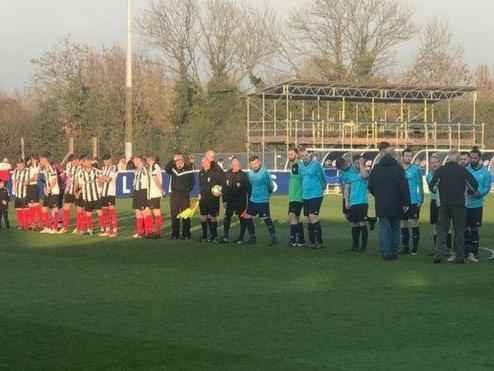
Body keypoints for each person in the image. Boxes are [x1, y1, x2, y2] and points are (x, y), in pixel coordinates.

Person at [428, 150, 478, 264]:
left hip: (444, 205)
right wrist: (468, 190)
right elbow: (474, 184)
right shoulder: (462, 170)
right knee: (459, 231)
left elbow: (431, 185)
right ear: (458, 158)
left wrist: (436, 189)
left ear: (448, 158)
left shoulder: (441, 170)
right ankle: (460, 257)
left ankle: (438, 256)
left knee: (442, 231)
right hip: (459, 205)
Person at [368, 148, 410, 260]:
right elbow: (404, 186)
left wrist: (378, 195)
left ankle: (385, 252)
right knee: (395, 228)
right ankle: (394, 251)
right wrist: (406, 201)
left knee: (384, 228)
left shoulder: (376, 168)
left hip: (381, 203)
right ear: (394, 156)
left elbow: (370, 186)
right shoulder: (398, 169)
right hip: (396, 203)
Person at [337, 155, 370, 252]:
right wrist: (347, 201)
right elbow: (347, 188)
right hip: (353, 202)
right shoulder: (350, 174)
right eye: (356, 163)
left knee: (362, 223)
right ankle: (355, 245)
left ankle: (364, 246)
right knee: (354, 224)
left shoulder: (365, 171)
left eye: (359, 163)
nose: (357, 165)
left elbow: (364, 176)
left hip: (362, 202)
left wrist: (362, 164)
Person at [464, 147, 491, 262]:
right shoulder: (465, 170)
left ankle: (474, 253)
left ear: (479, 158)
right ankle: (466, 252)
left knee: (475, 229)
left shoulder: (485, 172)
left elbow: (487, 188)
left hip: (477, 205)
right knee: (465, 229)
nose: (473, 160)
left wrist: (480, 194)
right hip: (465, 205)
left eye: (475, 158)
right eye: (471, 157)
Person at [243, 156, 277, 246]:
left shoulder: (264, 171)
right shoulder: (250, 174)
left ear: (259, 163)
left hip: (263, 200)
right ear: (250, 165)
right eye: (253, 164)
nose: (255, 165)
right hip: (253, 200)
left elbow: (270, 185)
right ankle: (252, 238)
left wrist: (267, 193)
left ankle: (273, 238)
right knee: (247, 217)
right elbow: (252, 185)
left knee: (266, 218)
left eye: (256, 163)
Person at [299, 148, 327, 249]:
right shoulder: (300, 166)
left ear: (308, 154)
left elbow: (323, 175)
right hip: (306, 195)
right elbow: (301, 178)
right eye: (302, 156)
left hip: (316, 194)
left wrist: (324, 184)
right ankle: (312, 242)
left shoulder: (316, 164)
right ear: (300, 157)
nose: (305, 157)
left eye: (306, 155)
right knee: (309, 218)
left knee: (312, 216)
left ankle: (319, 242)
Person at [165, 153, 195, 240]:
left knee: (185, 215)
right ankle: (175, 234)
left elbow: (192, 182)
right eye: (176, 160)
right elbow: (167, 169)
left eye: (179, 159)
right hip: (174, 195)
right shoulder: (173, 168)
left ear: (182, 159)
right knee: (174, 215)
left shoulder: (188, 168)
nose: (177, 161)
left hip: (184, 195)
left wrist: (187, 190)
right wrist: (172, 160)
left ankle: (186, 234)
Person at [220, 157, 250, 244]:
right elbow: (224, 189)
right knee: (227, 217)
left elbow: (249, 190)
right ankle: (225, 237)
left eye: (237, 164)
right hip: (229, 200)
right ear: (231, 165)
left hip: (241, 201)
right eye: (234, 164)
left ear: (239, 165)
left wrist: (248, 204)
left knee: (242, 219)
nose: (236, 166)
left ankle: (241, 238)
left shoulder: (243, 176)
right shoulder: (227, 174)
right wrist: (224, 201)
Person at [426, 154, 451, 256]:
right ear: (429, 164)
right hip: (434, 202)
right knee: (435, 226)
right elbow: (433, 189)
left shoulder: (445, 174)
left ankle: (448, 248)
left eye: (436, 162)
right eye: (432, 163)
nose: (434, 164)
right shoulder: (429, 176)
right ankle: (437, 248)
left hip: (443, 202)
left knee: (446, 225)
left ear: (440, 163)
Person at [400, 148, 424, 255]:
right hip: (402, 201)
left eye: (410, 156)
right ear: (402, 157)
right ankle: (405, 248)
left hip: (414, 200)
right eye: (406, 156)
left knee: (414, 222)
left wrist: (420, 199)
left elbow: (420, 185)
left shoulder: (416, 169)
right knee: (403, 223)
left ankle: (414, 248)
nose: (408, 158)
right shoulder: (398, 169)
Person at [198, 156, 225, 242]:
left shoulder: (215, 171)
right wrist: (200, 194)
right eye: (202, 163)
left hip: (213, 198)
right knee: (203, 216)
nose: (202, 164)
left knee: (212, 216)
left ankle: (214, 236)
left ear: (208, 162)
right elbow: (201, 186)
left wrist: (220, 190)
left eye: (204, 162)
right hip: (203, 198)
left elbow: (223, 181)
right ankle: (204, 236)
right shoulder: (201, 172)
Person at [77, 157, 104, 236]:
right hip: (87, 197)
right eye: (87, 162)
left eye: (90, 162)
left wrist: (100, 183)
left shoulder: (97, 171)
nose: (89, 163)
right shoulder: (81, 173)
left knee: (100, 212)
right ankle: (90, 230)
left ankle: (103, 228)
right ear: (84, 163)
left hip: (96, 196)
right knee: (88, 214)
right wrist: (78, 192)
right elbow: (81, 185)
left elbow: (101, 180)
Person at [287, 147, 305, 247]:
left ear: (297, 155)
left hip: (297, 196)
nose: (289, 156)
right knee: (296, 218)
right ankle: (301, 240)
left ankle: (293, 240)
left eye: (292, 154)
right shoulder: (294, 166)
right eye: (289, 154)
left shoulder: (297, 166)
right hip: (294, 196)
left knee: (292, 215)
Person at [39, 153, 61, 234]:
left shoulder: (52, 168)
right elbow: (46, 181)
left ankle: (55, 228)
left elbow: (54, 180)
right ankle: (47, 227)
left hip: (54, 192)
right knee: (44, 208)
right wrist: (45, 188)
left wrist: (49, 189)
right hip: (48, 192)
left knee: (54, 209)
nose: (40, 161)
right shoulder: (45, 169)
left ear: (45, 160)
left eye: (41, 160)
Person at [99, 154, 119, 237]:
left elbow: (108, 180)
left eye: (107, 160)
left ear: (111, 160)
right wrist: (103, 179)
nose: (105, 162)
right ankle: (107, 229)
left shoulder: (114, 168)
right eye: (104, 161)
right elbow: (100, 181)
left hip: (110, 192)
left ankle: (114, 230)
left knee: (112, 212)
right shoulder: (103, 169)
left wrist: (103, 179)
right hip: (103, 193)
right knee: (105, 212)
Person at [132, 156, 152, 238]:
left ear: (139, 161)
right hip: (136, 192)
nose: (134, 163)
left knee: (145, 212)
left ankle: (148, 231)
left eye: (135, 161)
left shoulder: (145, 170)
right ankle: (140, 232)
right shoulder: (137, 170)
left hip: (143, 192)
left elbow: (149, 182)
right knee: (137, 212)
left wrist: (148, 194)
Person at [146, 154, 164, 238]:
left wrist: (160, 189)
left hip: (155, 193)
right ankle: (152, 231)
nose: (146, 160)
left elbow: (155, 177)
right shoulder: (151, 166)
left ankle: (157, 232)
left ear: (150, 159)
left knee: (156, 211)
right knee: (151, 212)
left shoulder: (155, 166)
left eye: (147, 159)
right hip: (151, 193)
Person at [61, 155, 80, 234]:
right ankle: (65, 227)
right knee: (65, 209)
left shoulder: (81, 168)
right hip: (69, 191)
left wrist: (78, 191)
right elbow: (68, 177)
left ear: (77, 160)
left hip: (78, 190)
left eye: (74, 161)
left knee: (79, 210)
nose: (73, 163)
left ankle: (78, 227)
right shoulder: (69, 166)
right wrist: (67, 188)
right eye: (71, 162)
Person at [12, 159, 29, 230]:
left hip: (24, 194)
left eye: (21, 166)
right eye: (18, 166)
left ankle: (26, 225)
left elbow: (28, 181)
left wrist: (24, 182)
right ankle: (20, 224)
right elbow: (13, 181)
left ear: (24, 165)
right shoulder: (15, 172)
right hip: (17, 194)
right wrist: (14, 189)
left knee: (25, 209)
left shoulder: (27, 171)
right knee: (18, 209)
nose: (19, 167)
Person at [26, 155, 42, 230]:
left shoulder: (37, 166)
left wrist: (27, 181)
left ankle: (39, 223)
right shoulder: (29, 167)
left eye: (32, 159)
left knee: (36, 205)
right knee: (30, 205)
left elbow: (35, 177)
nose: (31, 160)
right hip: (29, 187)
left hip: (34, 187)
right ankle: (31, 224)